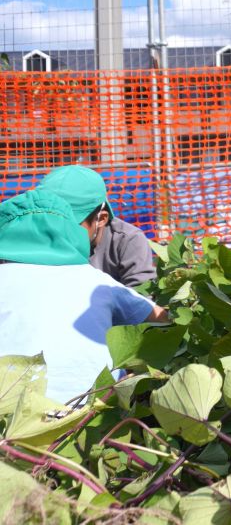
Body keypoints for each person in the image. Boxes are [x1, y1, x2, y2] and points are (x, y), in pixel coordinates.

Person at [0, 190, 167, 406]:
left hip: (9, 415)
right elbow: (163, 319)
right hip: (89, 414)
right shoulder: (96, 280)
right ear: (72, 233)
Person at [36, 165, 157, 288]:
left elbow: (140, 297)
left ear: (101, 219)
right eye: (52, 221)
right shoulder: (36, 238)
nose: (59, 231)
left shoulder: (127, 240)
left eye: (71, 225)